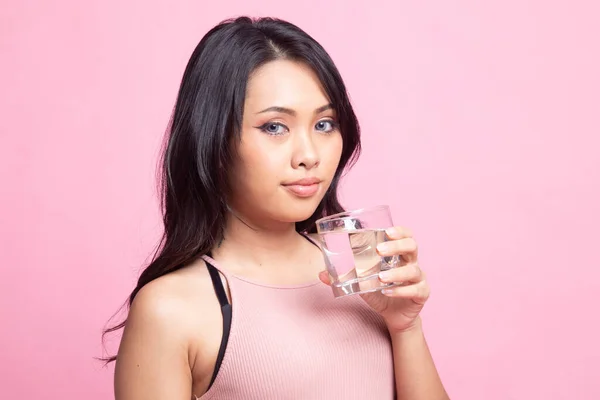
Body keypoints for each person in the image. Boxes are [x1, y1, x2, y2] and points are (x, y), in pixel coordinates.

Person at [107, 16, 450, 400]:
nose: (309, 155)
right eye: (274, 127)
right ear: (214, 140)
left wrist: (405, 327)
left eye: (324, 124)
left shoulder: (361, 269)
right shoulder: (171, 309)